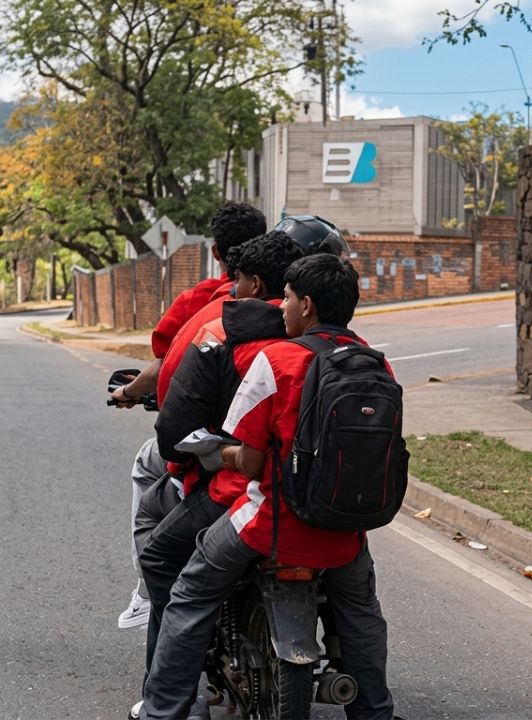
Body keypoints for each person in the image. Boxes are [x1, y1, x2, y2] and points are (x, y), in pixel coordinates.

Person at [140, 253, 394, 720]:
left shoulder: (275, 359)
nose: (282, 308)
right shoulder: (375, 363)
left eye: (290, 299)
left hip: (270, 521)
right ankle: (374, 712)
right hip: (345, 531)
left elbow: (251, 459)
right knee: (361, 612)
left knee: (190, 594)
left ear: (308, 305)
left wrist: (219, 453)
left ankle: (163, 710)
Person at [135, 232, 304, 704]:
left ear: (249, 281)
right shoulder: (327, 338)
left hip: (244, 491)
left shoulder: (220, 330)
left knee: (162, 560)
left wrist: (210, 452)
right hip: (320, 497)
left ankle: (169, 698)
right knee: (359, 601)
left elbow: (175, 427)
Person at [109, 201, 266, 629]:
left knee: (150, 466)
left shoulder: (205, 307)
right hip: (285, 466)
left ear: (217, 254)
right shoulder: (294, 314)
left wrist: (127, 392)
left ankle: (148, 596)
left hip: (224, 462)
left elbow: (168, 371)